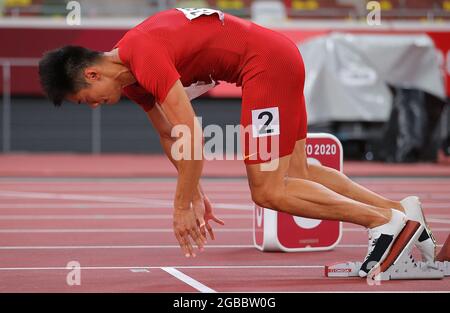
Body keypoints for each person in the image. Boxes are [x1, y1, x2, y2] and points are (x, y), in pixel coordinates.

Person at [38, 8, 437, 277]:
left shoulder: (142, 53)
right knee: (296, 172)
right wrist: (194, 192)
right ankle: (401, 211)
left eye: (83, 100)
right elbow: (169, 133)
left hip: (264, 65)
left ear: (91, 75)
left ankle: (384, 225)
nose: (92, 107)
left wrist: (181, 205)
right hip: (276, 57)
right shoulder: (135, 81)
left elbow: (191, 132)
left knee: (267, 190)